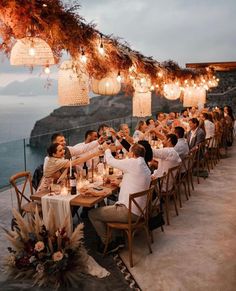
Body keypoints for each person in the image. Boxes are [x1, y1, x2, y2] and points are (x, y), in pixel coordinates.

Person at [88, 143, 151, 253]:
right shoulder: (144, 166)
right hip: (141, 211)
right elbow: (136, 183)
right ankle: (117, 237)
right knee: (106, 205)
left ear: (132, 153)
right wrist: (119, 184)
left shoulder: (133, 162)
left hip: (129, 213)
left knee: (92, 214)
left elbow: (111, 161)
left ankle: (109, 242)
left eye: (129, 152)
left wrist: (107, 150)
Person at [37, 143, 102, 192]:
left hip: (55, 186)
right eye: (60, 151)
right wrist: (95, 154)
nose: (64, 151)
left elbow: (72, 162)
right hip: (46, 191)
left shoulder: (54, 158)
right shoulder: (56, 162)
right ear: (54, 154)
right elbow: (75, 162)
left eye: (62, 149)